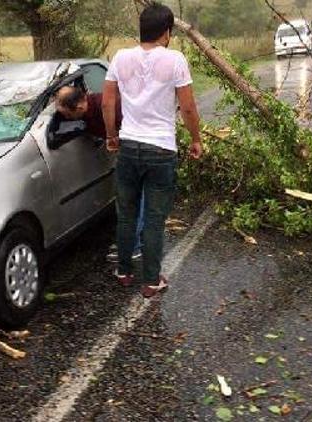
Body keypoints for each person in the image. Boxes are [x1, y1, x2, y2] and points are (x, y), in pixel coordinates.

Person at [102, 2, 202, 298]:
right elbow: (187, 106)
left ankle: (123, 271)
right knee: (155, 220)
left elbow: (108, 102)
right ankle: (150, 281)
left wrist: (111, 136)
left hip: (129, 146)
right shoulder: (175, 60)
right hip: (161, 149)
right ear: (167, 32)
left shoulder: (120, 57)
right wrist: (196, 139)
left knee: (126, 215)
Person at [54, 86, 144, 262]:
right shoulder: (86, 111)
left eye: (67, 115)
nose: (66, 118)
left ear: (79, 107)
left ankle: (132, 246)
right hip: (129, 151)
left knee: (130, 199)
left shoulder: (111, 106)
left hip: (138, 150)